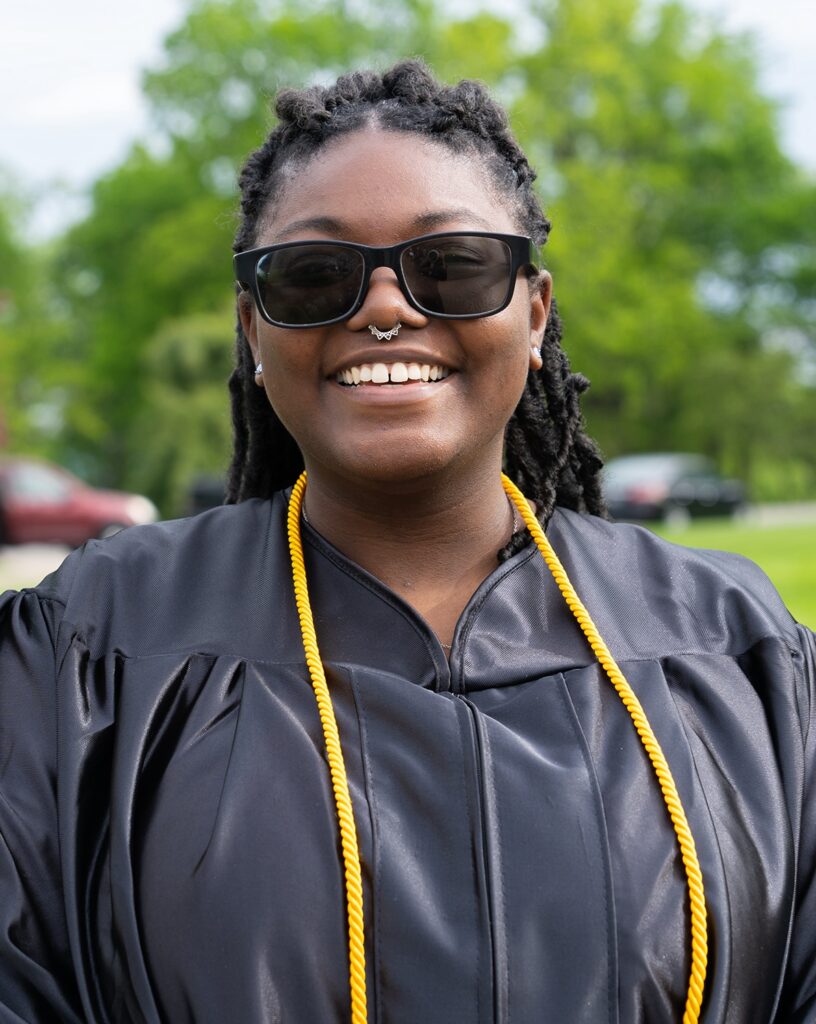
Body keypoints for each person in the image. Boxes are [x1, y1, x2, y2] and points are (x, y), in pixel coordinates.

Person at [0, 60, 813, 1024]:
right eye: (314, 275)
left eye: (454, 264)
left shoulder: (732, 646)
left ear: (536, 309)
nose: (386, 307)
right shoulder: (92, 644)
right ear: (254, 327)